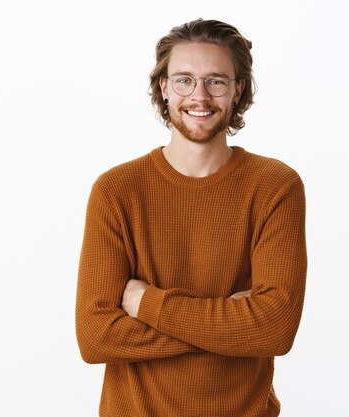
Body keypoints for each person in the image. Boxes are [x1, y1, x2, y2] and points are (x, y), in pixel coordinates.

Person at [75, 19, 307, 417]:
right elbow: (96, 338)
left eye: (216, 81)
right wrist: (231, 325)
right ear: (163, 87)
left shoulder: (275, 186)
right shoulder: (116, 190)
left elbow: (274, 328)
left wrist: (144, 302)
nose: (199, 96)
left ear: (238, 89)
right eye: (184, 80)